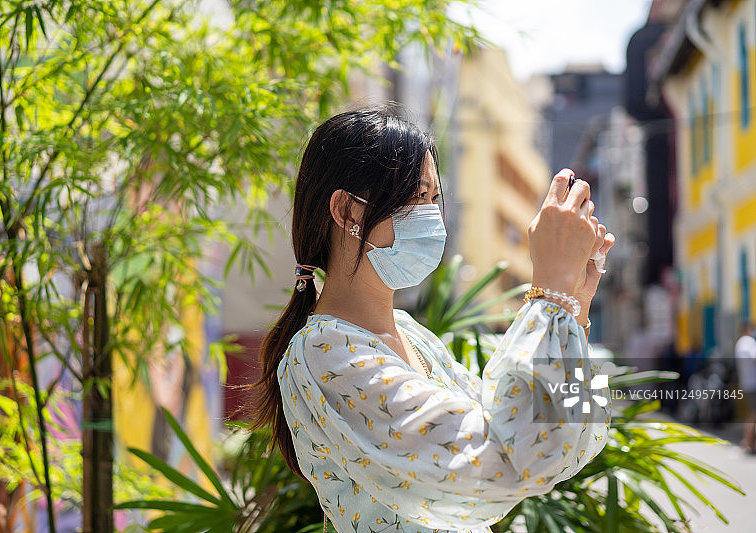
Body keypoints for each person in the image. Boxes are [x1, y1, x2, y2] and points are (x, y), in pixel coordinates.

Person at [249, 108, 615, 532]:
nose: (429, 216)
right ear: (347, 211)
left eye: (433, 199)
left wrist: (573, 308)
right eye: (413, 197)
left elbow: (561, 450)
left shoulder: (411, 335)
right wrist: (549, 292)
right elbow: (508, 463)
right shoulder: (324, 352)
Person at [735, 322, 756, 453]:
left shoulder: (740, 343)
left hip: (747, 383)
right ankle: (747, 441)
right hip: (752, 383)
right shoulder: (747, 342)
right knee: (753, 414)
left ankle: (750, 442)